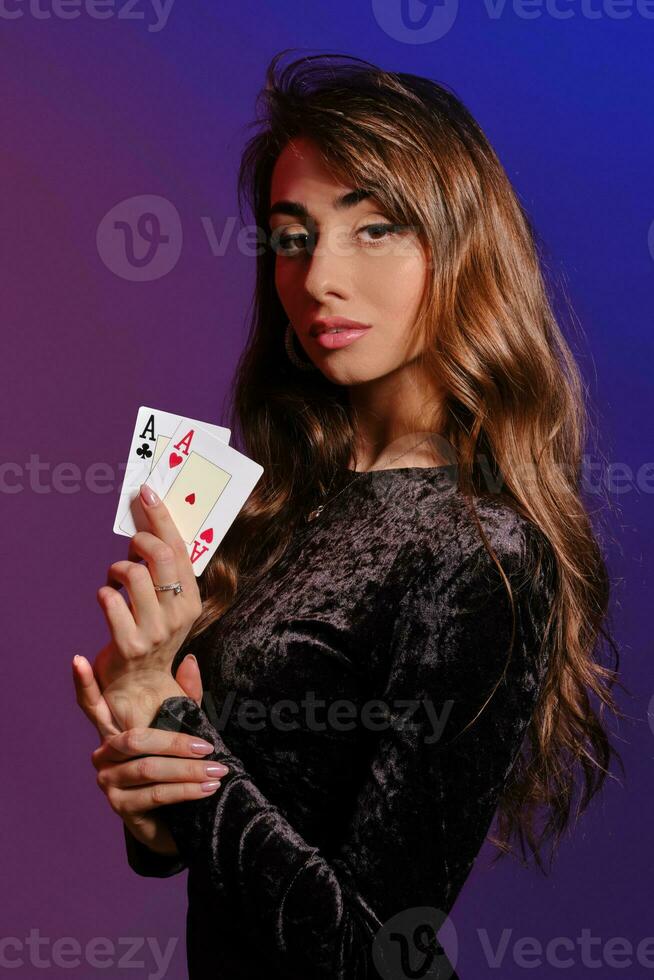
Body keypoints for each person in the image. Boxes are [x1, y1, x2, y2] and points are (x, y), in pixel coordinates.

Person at [72, 51, 623, 980]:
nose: (320, 274)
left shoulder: (480, 551)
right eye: (293, 238)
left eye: (374, 229)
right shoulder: (286, 502)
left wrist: (163, 708)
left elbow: (379, 953)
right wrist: (156, 801)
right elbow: (247, 816)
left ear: (459, 245)